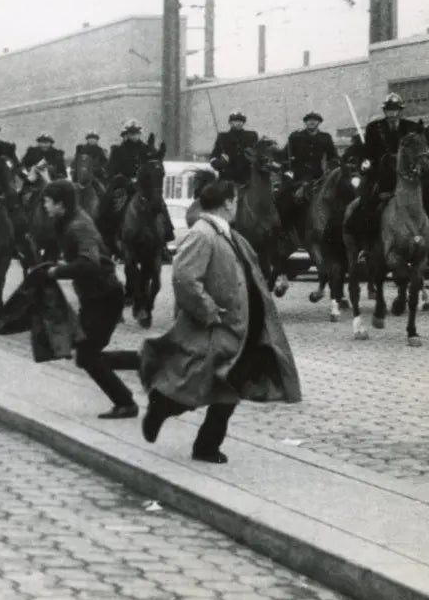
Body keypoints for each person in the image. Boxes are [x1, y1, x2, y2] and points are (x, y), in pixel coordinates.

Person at [139, 179, 300, 464]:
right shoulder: (203, 234)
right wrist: (208, 310)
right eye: (236, 200)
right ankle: (162, 407)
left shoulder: (226, 233)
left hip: (241, 327)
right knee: (199, 383)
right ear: (227, 202)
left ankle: (206, 445)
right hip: (217, 327)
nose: (237, 205)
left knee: (228, 387)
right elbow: (185, 278)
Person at [40, 179, 138, 419]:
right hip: (94, 297)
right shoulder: (69, 220)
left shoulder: (78, 226)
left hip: (105, 297)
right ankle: (144, 361)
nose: (44, 206)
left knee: (88, 356)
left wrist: (58, 271)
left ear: (60, 204)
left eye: (47, 202)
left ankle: (126, 402)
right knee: (88, 354)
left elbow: (89, 262)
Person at [347, 93, 424, 263]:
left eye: (395, 110)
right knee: (367, 202)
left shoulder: (410, 127)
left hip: (405, 175)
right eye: (389, 110)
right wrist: (366, 163)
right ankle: (365, 245)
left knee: (425, 201)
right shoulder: (374, 127)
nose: (392, 113)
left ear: (400, 111)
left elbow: (418, 149)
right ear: (385, 111)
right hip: (380, 174)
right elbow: (367, 151)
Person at [99, 119, 176, 254]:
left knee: (160, 205)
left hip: (143, 188)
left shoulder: (146, 149)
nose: (134, 136)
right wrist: (124, 179)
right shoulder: (118, 151)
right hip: (125, 186)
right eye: (131, 133)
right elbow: (111, 170)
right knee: (111, 205)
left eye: (136, 133)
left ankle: (164, 240)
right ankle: (108, 240)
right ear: (126, 134)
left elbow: (152, 166)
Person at [277, 111, 338, 230]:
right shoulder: (296, 137)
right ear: (305, 122)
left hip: (318, 176)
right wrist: (287, 170)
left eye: (315, 120)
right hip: (297, 176)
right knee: (283, 199)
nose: (312, 122)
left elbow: (332, 157)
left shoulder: (325, 137)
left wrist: (331, 169)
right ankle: (286, 231)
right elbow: (285, 156)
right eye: (309, 120)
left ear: (319, 122)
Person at [209, 111, 260, 184]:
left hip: (248, 178)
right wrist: (220, 162)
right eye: (235, 121)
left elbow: (258, 154)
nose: (238, 123)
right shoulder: (223, 137)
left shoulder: (251, 136)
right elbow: (213, 157)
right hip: (227, 178)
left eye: (241, 121)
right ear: (230, 123)